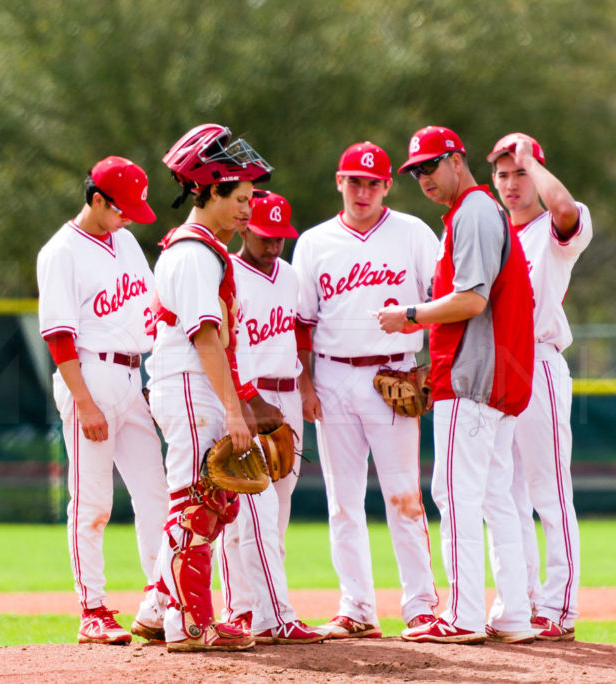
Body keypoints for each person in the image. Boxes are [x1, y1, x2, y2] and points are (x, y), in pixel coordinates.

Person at [378, 125, 536, 644]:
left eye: (430, 165)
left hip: (471, 382)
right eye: (416, 170)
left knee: (455, 495)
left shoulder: (471, 211)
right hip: (491, 377)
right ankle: (513, 613)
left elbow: (472, 300)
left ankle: (464, 615)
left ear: (456, 159)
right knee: (494, 497)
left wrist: (410, 316)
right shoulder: (475, 212)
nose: (423, 177)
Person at [292, 141, 440, 639]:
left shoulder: (413, 233)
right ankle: (356, 606)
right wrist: (307, 384)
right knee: (342, 500)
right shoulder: (313, 242)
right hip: (333, 376)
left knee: (405, 498)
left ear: (386, 187)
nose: (363, 190)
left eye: (372, 182)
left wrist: (431, 367)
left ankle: (420, 605)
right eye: (354, 180)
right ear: (339, 182)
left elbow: (443, 303)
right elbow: (302, 324)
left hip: (394, 373)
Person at [142, 123, 272, 652]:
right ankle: (190, 623)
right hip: (192, 386)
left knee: (211, 500)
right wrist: (234, 411)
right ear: (210, 190)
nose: (248, 209)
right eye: (239, 197)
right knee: (196, 503)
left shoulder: (196, 249)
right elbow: (205, 338)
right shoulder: (196, 254)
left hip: (193, 386)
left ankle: (157, 609)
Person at [36, 156, 169, 645]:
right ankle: (92, 608)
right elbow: (59, 337)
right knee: (92, 502)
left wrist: (158, 377)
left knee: (156, 492)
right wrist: (84, 402)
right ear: (96, 199)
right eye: (122, 208)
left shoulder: (127, 241)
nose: (130, 216)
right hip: (88, 374)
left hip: (135, 374)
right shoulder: (61, 252)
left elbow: (152, 310)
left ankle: (162, 598)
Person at [486, 133, 592, 641]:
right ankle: (522, 600)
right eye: (503, 173)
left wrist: (532, 159)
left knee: (547, 491)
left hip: (539, 361)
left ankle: (559, 606)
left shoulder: (555, 228)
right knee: (504, 492)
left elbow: (566, 205)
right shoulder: (494, 236)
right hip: (495, 370)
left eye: (521, 172)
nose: (511, 182)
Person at [216, 190, 327, 645]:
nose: (275, 244)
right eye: (266, 235)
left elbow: (299, 332)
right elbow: (223, 345)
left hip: (286, 399)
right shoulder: (227, 273)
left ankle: (257, 610)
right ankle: (248, 609)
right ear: (244, 227)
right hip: (249, 401)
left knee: (274, 517)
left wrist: (304, 386)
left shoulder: (290, 275)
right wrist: (242, 404)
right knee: (245, 513)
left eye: (282, 236)